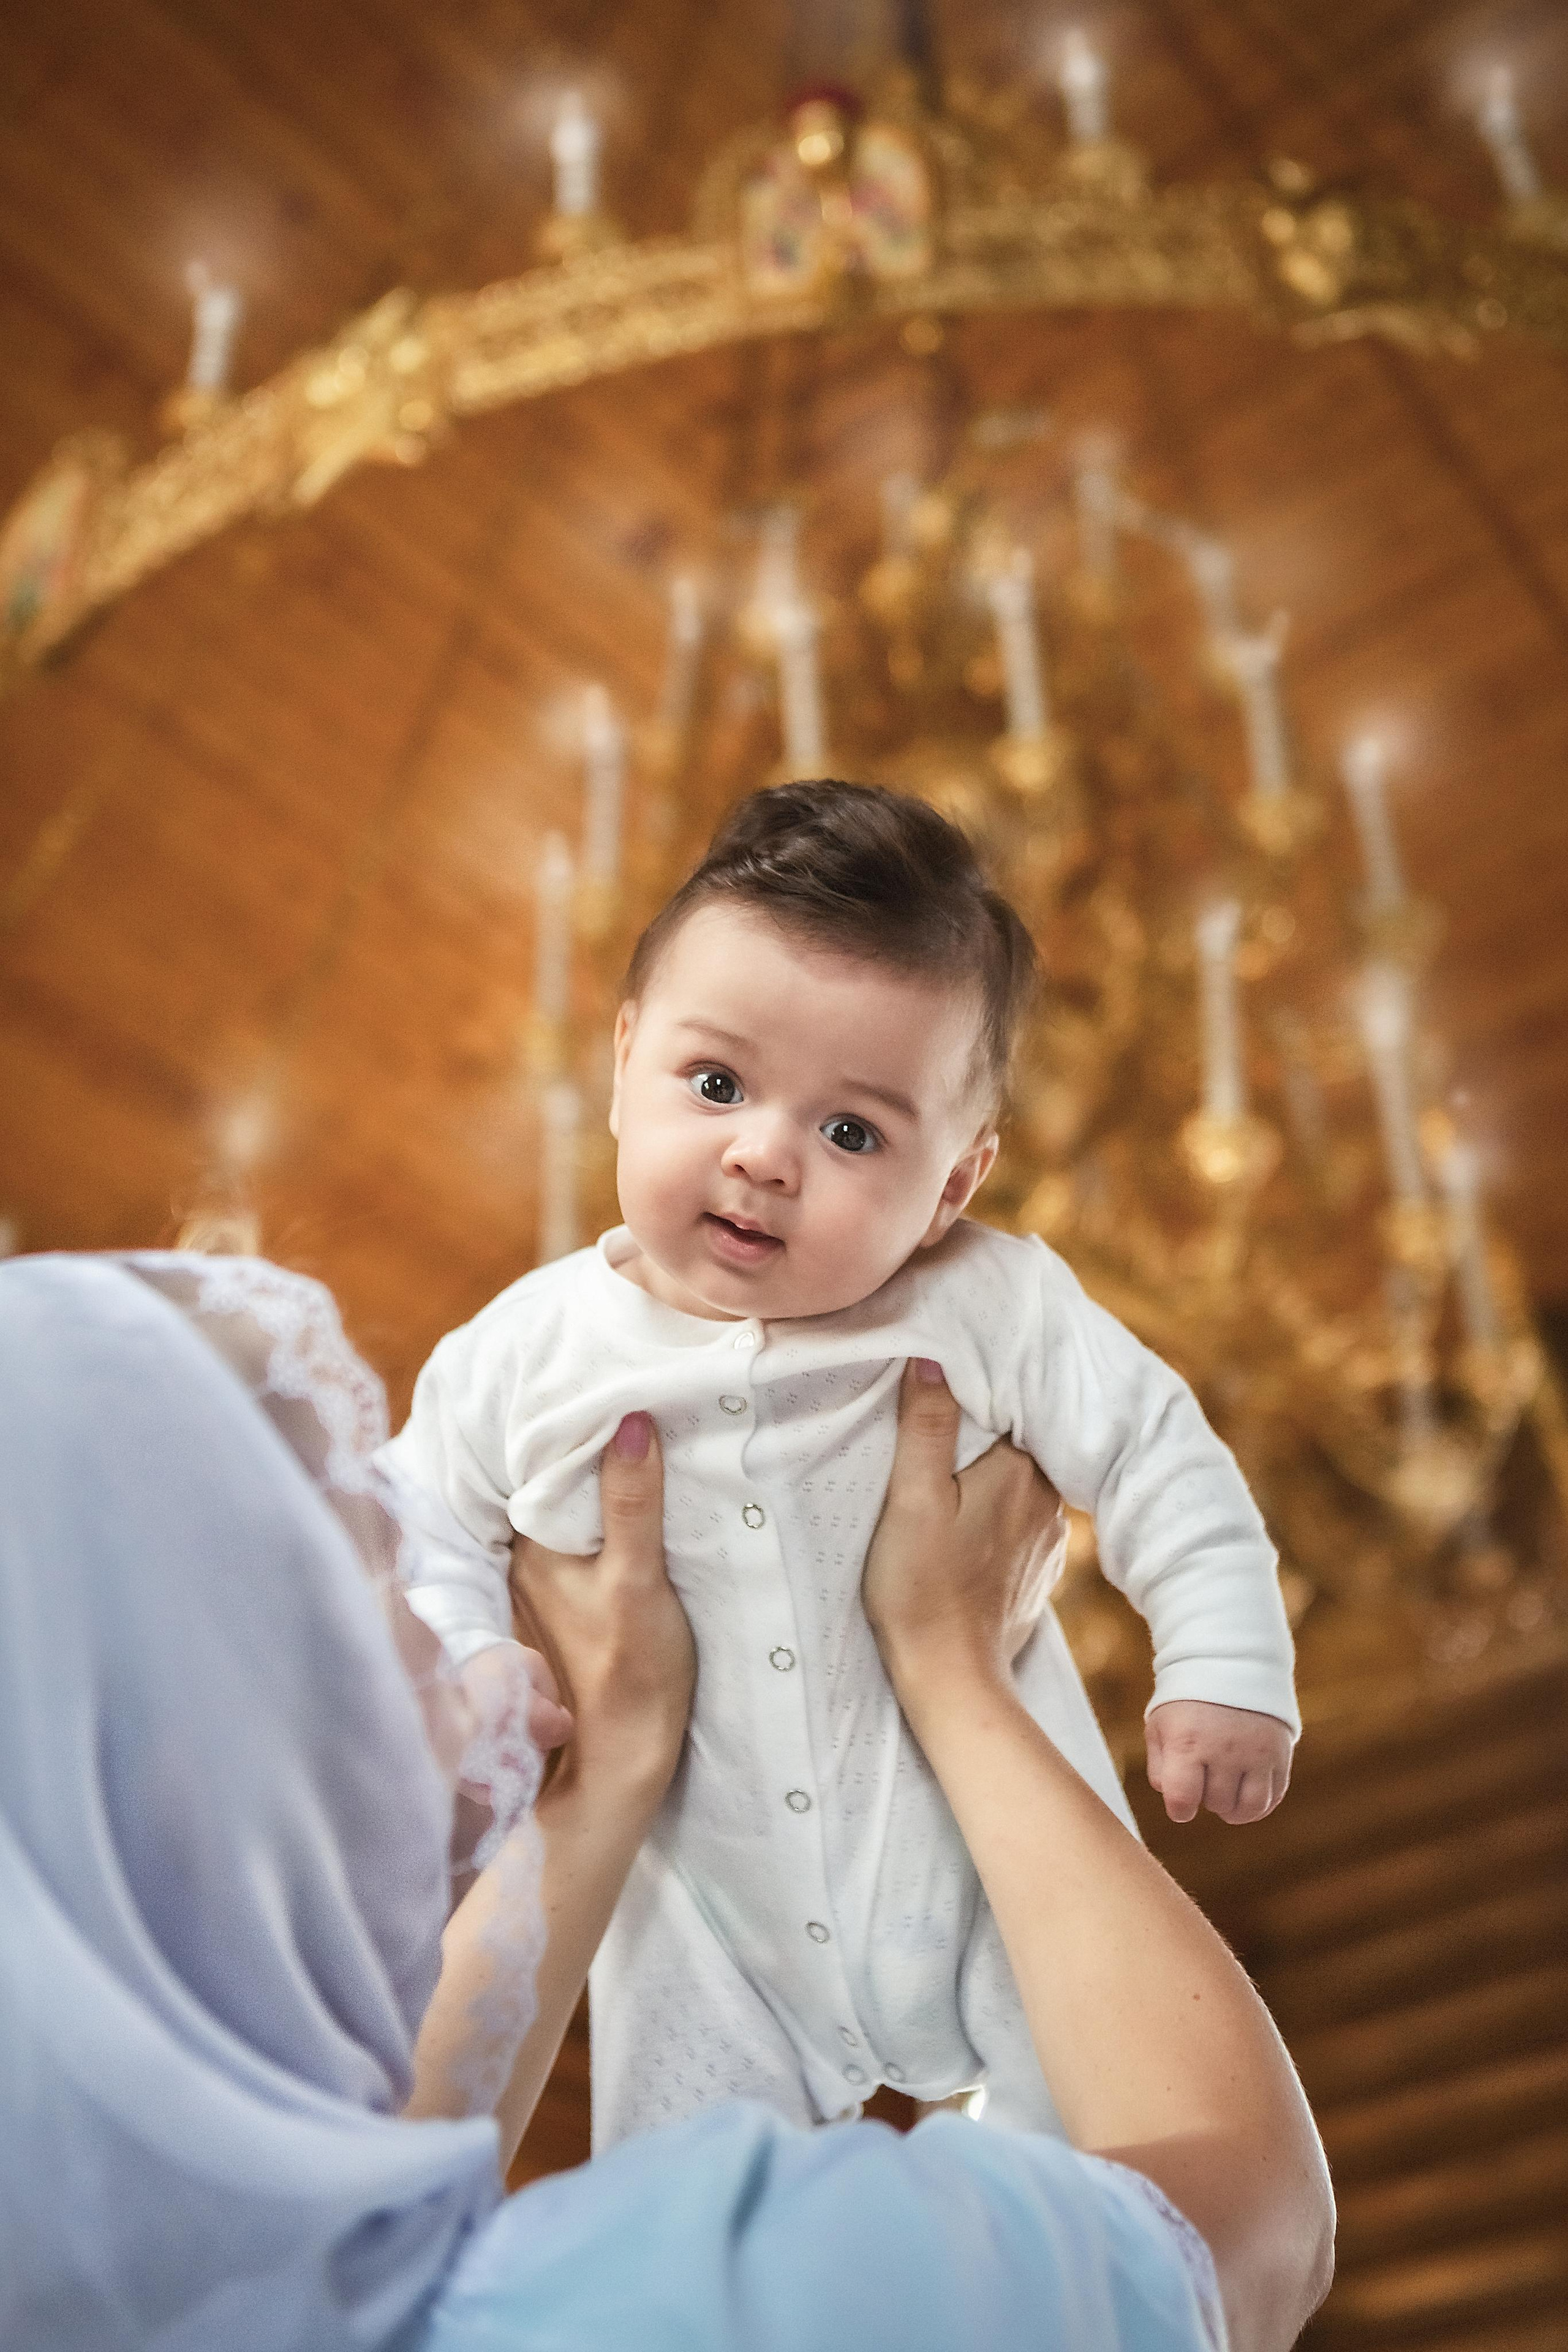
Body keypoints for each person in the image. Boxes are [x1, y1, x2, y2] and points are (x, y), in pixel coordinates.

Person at [0, 1248, 1333, 2352]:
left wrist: (616, 1759)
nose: (439, 1632)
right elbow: (1250, 2231)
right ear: (196, 1776)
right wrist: (947, 1661)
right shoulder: (708, 2299)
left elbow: (362, 2242)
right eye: (366, 1577)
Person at [380, 780, 1299, 2145]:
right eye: (716, 1084)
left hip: (987, 1859)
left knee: (1100, 2162)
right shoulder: (523, 1352)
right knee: (685, 2189)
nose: (763, 1154)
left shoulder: (995, 1305)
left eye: (851, 1131)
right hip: (709, 1907)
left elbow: (1163, 1457)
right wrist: (474, 1660)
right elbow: (416, 1526)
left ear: (951, 1188)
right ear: (622, 1063)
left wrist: (1225, 1668)